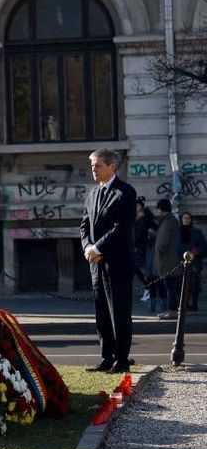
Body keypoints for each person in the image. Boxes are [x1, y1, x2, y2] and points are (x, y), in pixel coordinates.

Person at [80, 148, 136, 374]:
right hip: (96, 262)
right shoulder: (93, 193)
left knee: (119, 312)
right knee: (101, 312)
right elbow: (84, 224)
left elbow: (121, 228)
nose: (93, 169)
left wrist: (98, 247)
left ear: (112, 166)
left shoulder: (125, 192)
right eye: (92, 165)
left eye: (98, 165)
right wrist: (87, 247)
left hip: (117, 263)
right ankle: (106, 356)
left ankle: (122, 359)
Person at [154, 199, 181, 320]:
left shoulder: (168, 221)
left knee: (170, 287)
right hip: (169, 259)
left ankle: (172, 311)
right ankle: (172, 310)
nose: (157, 211)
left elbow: (163, 242)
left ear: (161, 209)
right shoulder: (170, 220)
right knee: (170, 286)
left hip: (168, 260)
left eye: (158, 208)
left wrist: (159, 251)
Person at [177, 212, 206, 312]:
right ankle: (185, 304)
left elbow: (203, 246)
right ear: (181, 220)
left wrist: (193, 252)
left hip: (194, 263)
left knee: (194, 286)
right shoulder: (178, 232)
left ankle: (194, 304)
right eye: (184, 218)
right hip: (180, 263)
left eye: (188, 218)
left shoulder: (196, 232)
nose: (186, 220)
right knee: (184, 286)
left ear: (190, 220)